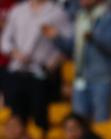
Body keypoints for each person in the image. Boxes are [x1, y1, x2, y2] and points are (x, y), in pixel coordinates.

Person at [44, 0, 111, 122]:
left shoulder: (108, 17)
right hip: (80, 77)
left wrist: (94, 37)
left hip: (101, 78)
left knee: (101, 121)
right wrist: (56, 37)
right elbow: (71, 49)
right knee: (78, 121)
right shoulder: (80, 17)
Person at [0, 0, 71, 131]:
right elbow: (4, 41)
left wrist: (54, 62)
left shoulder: (57, 12)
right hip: (17, 71)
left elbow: (68, 44)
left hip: (41, 73)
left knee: (40, 118)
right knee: (16, 117)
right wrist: (14, 52)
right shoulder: (18, 10)